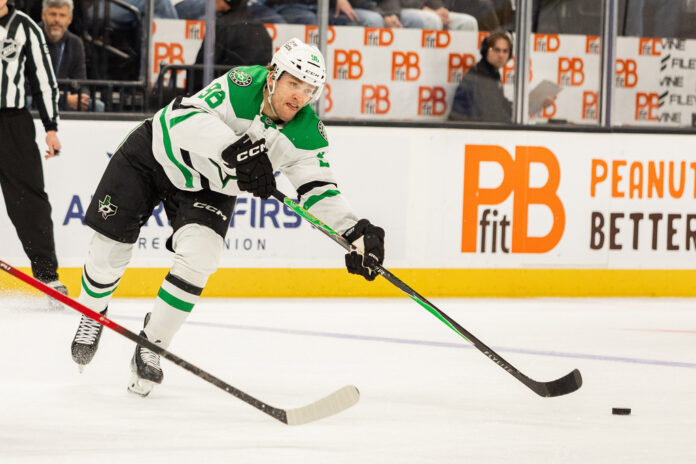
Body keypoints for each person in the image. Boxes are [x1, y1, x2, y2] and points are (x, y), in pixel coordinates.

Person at [69, 38, 386, 397]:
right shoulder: (243, 84)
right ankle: (92, 312)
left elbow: (319, 189)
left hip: (209, 186)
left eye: (310, 89)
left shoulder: (307, 132)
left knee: (201, 258)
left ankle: (152, 343)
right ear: (273, 76)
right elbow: (184, 119)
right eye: (294, 83)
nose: (300, 96)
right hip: (154, 156)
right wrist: (237, 150)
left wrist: (354, 231)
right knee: (108, 250)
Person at [0, 0, 67, 307]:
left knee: (28, 200)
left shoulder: (25, 26)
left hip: (13, 122)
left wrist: (51, 127)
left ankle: (47, 276)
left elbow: (43, 80)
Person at [37, 0, 104, 111]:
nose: (57, 20)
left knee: (97, 106)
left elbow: (81, 81)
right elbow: (26, 87)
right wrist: (63, 99)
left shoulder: (75, 43)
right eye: (53, 14)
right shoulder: (29, 37)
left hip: (63, 99)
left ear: (70, 19)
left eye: (62, 15)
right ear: (43, 16)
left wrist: (82, 97)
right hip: (37, 99)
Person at [449, 31, 512, 122]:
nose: (501, 55)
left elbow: (499, 103)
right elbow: (490, 116)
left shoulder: (492, 73)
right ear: (486, 51)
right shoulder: (481, 78)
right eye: (496, 50)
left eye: (505, 51)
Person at [399, 0, 477, 30]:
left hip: (427, 8)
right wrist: (422, 9)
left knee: (468, 22)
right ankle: (429, 60)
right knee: (433, 21)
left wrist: (439, 9)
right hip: (399, 8)